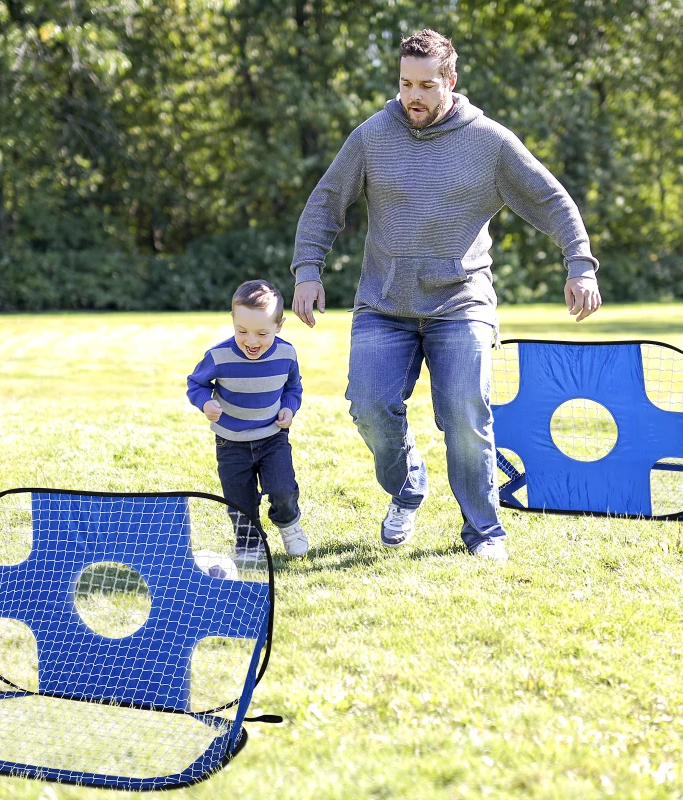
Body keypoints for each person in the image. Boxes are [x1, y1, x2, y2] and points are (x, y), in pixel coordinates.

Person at [289, 29, 602, 562]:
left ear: (450, 81)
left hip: (461, 303)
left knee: (464, 415)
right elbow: (325, 203)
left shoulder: (489, 142)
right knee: (369, 408)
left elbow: (551, 200)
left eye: (426, 85)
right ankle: (409, 485)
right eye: (405, 83)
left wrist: (580, 264)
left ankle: (484, 531)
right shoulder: (371, 136)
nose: (413, 96)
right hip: (384, 303)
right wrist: (306, 270)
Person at [187, 279, 309, 558]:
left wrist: (289, 408)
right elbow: (196, 384)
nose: (251, 341)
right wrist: (205, 403)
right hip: (231, 442)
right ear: (233, 320)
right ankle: (250, 543)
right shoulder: (218, 356)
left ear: (279, 326)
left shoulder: (286, 354)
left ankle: (289, 524)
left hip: (272, 436)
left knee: (282, 488)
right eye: (242, 331)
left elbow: (293, 387)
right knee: (238, 499)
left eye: (262, 333)